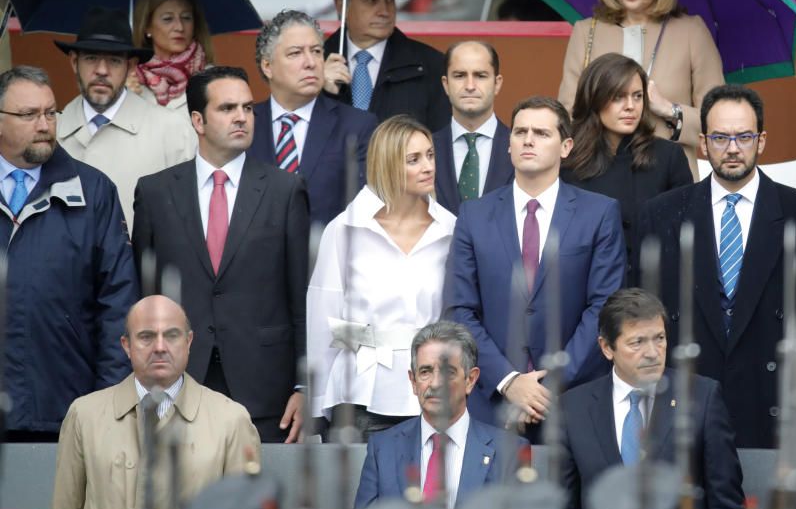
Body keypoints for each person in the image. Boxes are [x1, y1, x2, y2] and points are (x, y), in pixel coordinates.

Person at [637, 84, 796, 449]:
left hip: (775, 399)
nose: (732, 148)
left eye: (744, 137)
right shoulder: (662, 213)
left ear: (761, 141)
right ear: (702, 143)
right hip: (685, 397)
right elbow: (647, 314)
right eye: (720, 137)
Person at [132, 66, 310, 443]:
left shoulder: (285, 190)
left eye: (247, 107)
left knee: (259, 500)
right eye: (227, 108)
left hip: (265, 386)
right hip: (176, 378)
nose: (242, 117)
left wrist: (304, 385)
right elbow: (140, 296)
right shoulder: (155, 192)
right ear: (197, 120)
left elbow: (301, 295)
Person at [445, 96, 626, 437]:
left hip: (572, 402)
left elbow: (604, 307)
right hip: (491, 402)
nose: (528, 139)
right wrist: (510, 382)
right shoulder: (474, 215)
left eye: (542, 133)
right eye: (520, 132)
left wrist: (544, 387)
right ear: (508, 145)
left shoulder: (599, 213)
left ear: (566, 146)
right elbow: (459, 309)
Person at [0, 65, 138, 441]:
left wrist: (108, 403)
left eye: (50, 112)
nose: (44, 124)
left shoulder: (94, 193)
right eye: (28, 115)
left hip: (66, 408)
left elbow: (119, 305)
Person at [49, 295, 260, 509]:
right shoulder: (84, 415)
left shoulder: (230, 420)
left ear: (188, 342)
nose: (160, 347)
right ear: (126, 345)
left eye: (172, 335)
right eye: (146, 337)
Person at [308, 115, 456, 439]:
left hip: (434, 391)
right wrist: (316, 407)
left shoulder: (451, 230)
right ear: (388, 164)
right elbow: (322, 322)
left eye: (430, 155)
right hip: (360, 393)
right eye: (413, 160)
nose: (428, 166)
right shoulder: (345, 229)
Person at [561, 288, 744, 509]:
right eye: (637, 342)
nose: (652, 353)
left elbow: (727, 508)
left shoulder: (702, 398)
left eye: (659, 338)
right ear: (607, 348)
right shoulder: (573, 408)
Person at [557, 0, 724, 179]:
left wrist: (670, 110)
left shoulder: (691, 31)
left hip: (667, 178)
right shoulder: (586, 31)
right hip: (597, 175)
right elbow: (566, 115)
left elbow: (717, 120)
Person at [354, 321, 526, 509]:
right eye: (425, 372)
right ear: (413, 381)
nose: (435, 384)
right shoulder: (382, 449)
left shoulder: (510, 452)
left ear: (470, 380)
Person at [55, 6, 196, 231]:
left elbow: (189, 223)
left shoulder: (173, 132)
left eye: (114, 60)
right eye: (91, 58)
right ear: (74, 62)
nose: (101, 70)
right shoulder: (50, 129)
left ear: (130, 65)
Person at [562, 52, 692, 284]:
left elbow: (686, 232)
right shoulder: (567, 159)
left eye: (638, 96)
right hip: (586, 291)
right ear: (594, 98)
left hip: (651, 291)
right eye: (618, 97)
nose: (631, 106)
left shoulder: (668, 156)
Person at [247, 10, 377, 227]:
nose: (310, 62)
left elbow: (364, 211)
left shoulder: (357, 126)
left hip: (325, 254)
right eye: (295, 53)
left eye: (316, 51)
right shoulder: (245, 123)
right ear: (267, 66)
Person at [321, 0, 451, 131]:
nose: (384, 11)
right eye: (372, 0)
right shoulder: (315, 63)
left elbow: (441, 142)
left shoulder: (432, 66)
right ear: (341, 4)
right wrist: (319, 91)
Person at [432, 40, 515, 215]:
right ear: (446, 84)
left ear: (497, 83)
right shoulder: (425, 148)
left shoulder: (521, 147)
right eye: (460, 75)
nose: (470, 86)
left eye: (480, 75)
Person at [127, 0, 213, 110]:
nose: (179, 27)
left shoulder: (213, 79)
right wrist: (122, 100)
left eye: (186, 18)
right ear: (147, 27)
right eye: (168, 19)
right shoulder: (130, 79)